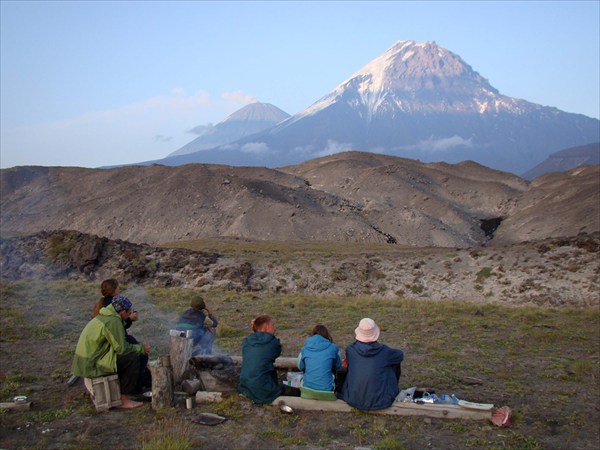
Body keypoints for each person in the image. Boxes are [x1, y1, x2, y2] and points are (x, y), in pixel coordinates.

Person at [72, 296, 151, 409]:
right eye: (129, 312)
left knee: (132, 350)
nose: (130, 314)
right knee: (132, 358)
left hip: (87, 361)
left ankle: (129, 390)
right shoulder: (113, 321)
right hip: (93, 364)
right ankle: (123, 399)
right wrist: (141, 348)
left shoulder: (107, 315)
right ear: (123, 312)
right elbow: (122, 349)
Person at [92, 279, 151, 392]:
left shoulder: (103, 303)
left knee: (136, 347)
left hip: (108, 342)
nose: (120, 289)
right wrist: (130, 319)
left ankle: (145, 380)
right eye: (118, 287)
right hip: (109, 345)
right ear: (114, 290)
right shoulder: (112, 304)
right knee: (140, 355)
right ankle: (136, 386)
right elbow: (117, 329)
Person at [338, 318, 404, 410]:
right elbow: (400, 355)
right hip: (381, 401)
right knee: (393, 363)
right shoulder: (385, 352)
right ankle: (388, 390)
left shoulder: (350, 350)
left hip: (353, 398)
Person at [238, 315, 299, 404]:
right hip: (263, 389)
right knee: (295, 391)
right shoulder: (273, 343)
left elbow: (258, 347)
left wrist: (256, 330)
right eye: (272, 325)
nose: (274, 329)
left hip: (245, 387)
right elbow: (275, 352)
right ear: (266, 326)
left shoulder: (246, 342)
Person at [297, 325, 342, 392]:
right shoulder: (333, 348)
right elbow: (338, 365)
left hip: (307, 387)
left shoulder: (304, 348)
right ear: (326, 334)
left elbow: (300, 366)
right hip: (327, 388)